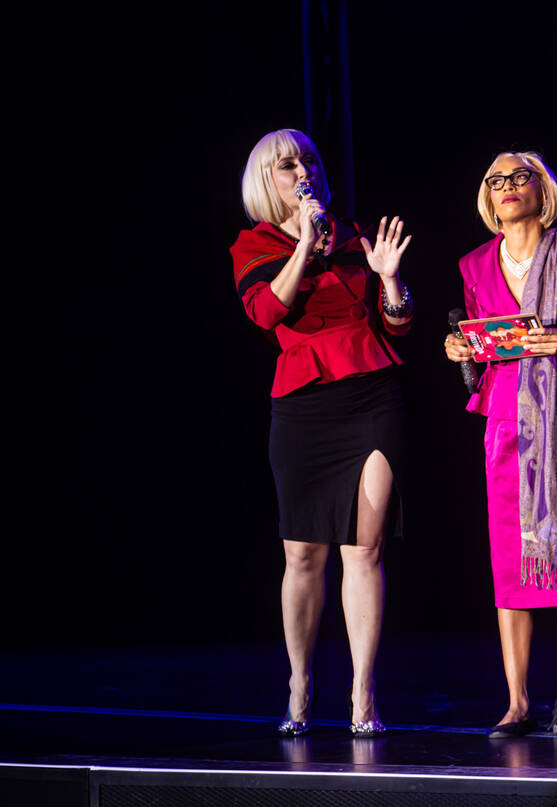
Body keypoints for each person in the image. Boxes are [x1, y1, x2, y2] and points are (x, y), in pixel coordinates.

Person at [230, 129, 414, 737]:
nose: (301, 170)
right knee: (303, 555)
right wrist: (305, 245)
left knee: (365, 550)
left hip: (371, 395)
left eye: (308, 159)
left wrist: (389, 281)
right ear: (266, 180)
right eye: (287, 164)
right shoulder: (253, 244)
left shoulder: (358, 236)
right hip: (304, 403)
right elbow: (265, 313)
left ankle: (363, 693)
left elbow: (398, 324)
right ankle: (299, 686)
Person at [444, 152, 557, 738]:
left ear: (541, 189)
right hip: (505, 417)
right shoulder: (474, 265)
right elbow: (480, 341)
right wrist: (461, 353)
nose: (506, 188)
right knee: (511, 557)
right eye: (494, 180)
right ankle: (518, 700)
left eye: (518, 177)